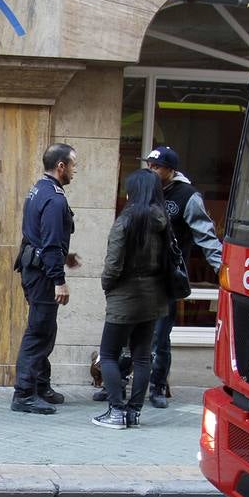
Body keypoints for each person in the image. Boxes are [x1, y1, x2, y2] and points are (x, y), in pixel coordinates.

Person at [145, 146, 222, 409]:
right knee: (130, 331)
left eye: (157, 167)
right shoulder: (145, 190)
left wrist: (222, 268)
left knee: (159, 335)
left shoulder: (188, 196)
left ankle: (157, 387)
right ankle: (119, 383)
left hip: (167, 276)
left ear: (171, 170)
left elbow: (206, 235)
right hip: (140, 276)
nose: (152, 170)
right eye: (149, 165)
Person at [94, 168, 170, 429]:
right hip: (153, 296)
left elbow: (113, 265)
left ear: (133, 192)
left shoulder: (125, 222)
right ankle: (133, 414)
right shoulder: (162, 222)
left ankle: (116, 411)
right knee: (142, 357)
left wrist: (107, 286)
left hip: (124, 295)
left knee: (108, 354)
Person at [10, 143, 81, 415]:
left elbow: (39, 237)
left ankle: (41, 385)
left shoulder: (38, 189)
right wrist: (59, 280)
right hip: (42, 275)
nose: (75, 170)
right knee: (39, 332)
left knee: (44, 329)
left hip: (34, 268)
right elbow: (49, 244)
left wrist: (65, 256)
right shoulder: (55, 199)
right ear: (61, 166)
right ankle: (24, 394)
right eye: (73, 165)